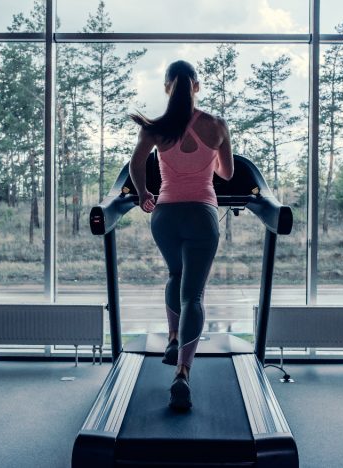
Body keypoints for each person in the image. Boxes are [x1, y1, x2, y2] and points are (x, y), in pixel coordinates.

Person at [129, 60, 234, 411]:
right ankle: (182, 372)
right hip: (202, 214)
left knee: (175, 274)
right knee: (195, 295)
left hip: (166, 216)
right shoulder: (217, 126)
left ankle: (173, 337)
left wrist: (145, 193)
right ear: (196, 87)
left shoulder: (156, 129)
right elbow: (228, 173)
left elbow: (136, 163)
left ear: (167, 87)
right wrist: (211, 159)